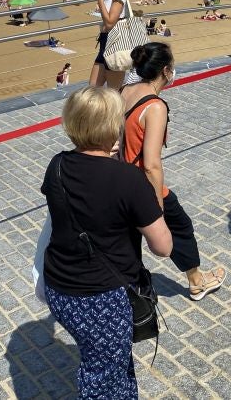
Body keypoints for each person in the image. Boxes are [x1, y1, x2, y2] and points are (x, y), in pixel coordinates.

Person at [42, 87, 172, 398]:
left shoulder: (57, 164)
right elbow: (163, 247)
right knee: (101, 375)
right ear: (113, 126)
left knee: (110, 362)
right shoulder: (127, 178)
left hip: (59, 288)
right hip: (101, 299)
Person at [120, 43, 227, 301]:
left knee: (128, 239)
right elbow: (151, 164)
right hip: (141, 184)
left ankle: (126, 288)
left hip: (119, 179)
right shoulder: (155, 106)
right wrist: (157, 205)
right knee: (179, 225)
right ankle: (197, 282)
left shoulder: (123, 91)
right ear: (166, 71)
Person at [90, 0, 129, 88]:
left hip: (115, 45)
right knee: (92, 90)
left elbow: (110, 23)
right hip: (104, 42)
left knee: (113, 94)